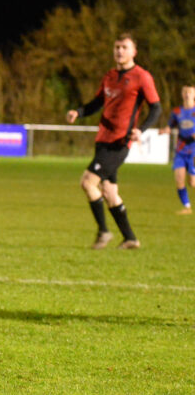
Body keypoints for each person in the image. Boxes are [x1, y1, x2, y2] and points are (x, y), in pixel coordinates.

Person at [66, 32, 161, 249]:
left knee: (88, 182)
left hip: (119, 141)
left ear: (134, 51)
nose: (119, 51)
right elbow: (97, 102)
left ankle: (103, 232)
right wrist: (78, 112)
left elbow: (156, 107)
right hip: (103, 139)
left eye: (124, 47)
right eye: (117, 47)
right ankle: (130, 238)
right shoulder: (109, 76)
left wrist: (141, 130)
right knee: (109, 192)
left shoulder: (142, 76)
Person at [160, 84, 195, 214]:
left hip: (194, 150)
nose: (187, 94)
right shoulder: (177, 112)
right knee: (179, 180)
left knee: (192, 183)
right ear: (181, 94)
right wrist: (165, 130)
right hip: (181, 150)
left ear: (194, 94)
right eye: (185, 91)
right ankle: (187, 207)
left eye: (190, 92)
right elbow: (171, 126)